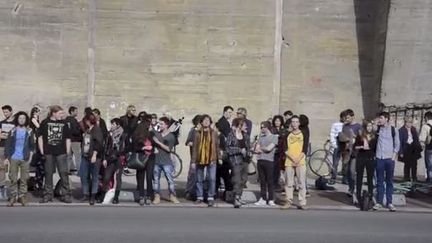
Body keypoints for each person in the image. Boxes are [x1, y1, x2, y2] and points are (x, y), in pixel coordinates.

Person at [38, 105, 72, 203]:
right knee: (48, 174)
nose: (62, 115)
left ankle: (66, 194)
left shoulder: (64, 123)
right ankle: (48, 195)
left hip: (61, 152)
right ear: (54, 113)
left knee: (63, 173)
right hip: (48, 152)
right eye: (60, 113)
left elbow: (68, 138)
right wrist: (42, 150)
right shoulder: (45, 123)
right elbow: (40, 137)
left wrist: (67, 151)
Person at [4, 111, 35, 206]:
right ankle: (13, 196)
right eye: (20, 118)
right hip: (13, 157)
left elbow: (32, 146)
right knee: (13, 178)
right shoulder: (13, 131)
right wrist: (7, 158)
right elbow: (8, 144)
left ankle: (22, 196)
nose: (21, 120)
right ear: (17, 119)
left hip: (24, 157)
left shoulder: (29, 131)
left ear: (26, 120)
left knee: (24, 179)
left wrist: (30, 157)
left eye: (23, 118)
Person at [373, 112, 400, 212]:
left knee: (389, 181)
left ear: (387, 119)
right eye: (379, 118)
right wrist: (375, 124)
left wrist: (393, 157)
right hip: (379, 158)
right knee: (379, 181)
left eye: (381, 118)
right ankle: (379, 202)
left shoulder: (393, 130)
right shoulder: (378, 129)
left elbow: (397, 144)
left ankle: (389, 202)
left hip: (389, 158)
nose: (380, 119)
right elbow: (370, 131)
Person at [281, 116, 309, 210]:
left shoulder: (304, 134)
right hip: (289, 161)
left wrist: (298, 159)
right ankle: (288, 201)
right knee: (289, 182)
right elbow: (284, 149)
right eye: (293, 122)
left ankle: (302, 202)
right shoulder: (287, 135)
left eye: (296, 122)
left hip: (300, 161)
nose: (294, 124)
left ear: (299, 123)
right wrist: (292, 158)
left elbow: (305, 148)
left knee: (301, 182)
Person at [191, 115, 219, 207]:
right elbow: (194, 148)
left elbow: (216, 146)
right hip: (200, 158)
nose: (206, 122)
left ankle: (210, 197)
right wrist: (193, 161)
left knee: (212, 178)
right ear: (201, 122)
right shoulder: (197, 133)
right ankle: (200, 197)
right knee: (199, 179)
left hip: (211, 158)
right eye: (205, 120)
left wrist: (219, 157)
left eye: (208, 120)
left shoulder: (214, 133)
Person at [152, 117, 180, 204]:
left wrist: (158, 143)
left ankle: (172, 196)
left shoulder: (171, 136)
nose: (159, 125)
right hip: (156, 161)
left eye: (161, 124)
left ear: (166, 125)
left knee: (170, 180)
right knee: (156, 180)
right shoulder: (157, 134)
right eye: (159, 124)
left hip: (166, 162)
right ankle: (157, 196)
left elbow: (168, 149)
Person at [80, 113, 104, 205]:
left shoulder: (96, 130)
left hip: (94, 156)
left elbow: (98, 143)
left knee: (94, 176)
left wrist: (94, 154)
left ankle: (93, 195)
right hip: (85, 155)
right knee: (84, 175)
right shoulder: (87, 130)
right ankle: (85, 193)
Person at [226, 118, 251, 208]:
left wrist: (249, 152)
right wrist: (239, 150)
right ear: (239, 126)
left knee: (244, 179)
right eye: (244, 125)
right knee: (237, 179)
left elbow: (248, 147)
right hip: (235, 160)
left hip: (245, 160)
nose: (246, 127)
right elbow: (228, 149)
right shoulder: (231, 135)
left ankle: (239, 196)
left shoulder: (246, 136)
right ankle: (236, 198)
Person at [101, 118, 127, 204]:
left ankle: (116, 197)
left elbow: (124, 148)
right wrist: (104, 158)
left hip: (119, 158)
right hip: (110, 158)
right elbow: (106, 147)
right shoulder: (109, 134)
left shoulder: (123, 134)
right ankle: (103, 194)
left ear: (118, 125)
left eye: (113, 124)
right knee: (106, 177)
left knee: (117, 178)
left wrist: (117, 154)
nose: (111, 126)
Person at [253, 121, 278, 206]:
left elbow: (269, 148)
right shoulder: (261, 137)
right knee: (262, 181)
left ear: (266, 128)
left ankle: (271, 198)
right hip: (260, 160)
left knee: (270, 181)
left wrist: (261, 149)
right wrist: (260, 149)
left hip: (269, 161)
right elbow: (256, 149)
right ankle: (263, 198)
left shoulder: (274, 137)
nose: (261, 129)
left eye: (262, 127)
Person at [340, 109, 362, 198]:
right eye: (345, 118)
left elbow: (362, 138)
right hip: (346, 151)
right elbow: (342, 138)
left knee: (352, 171)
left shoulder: (358, 126)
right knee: (347, 171)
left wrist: (354, 136)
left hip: (355, 152)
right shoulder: (345, 126)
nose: (346, 119)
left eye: (348, 117)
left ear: (353, 117)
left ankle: (353, 189)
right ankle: (351, 188)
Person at [354, 120, 377, 206]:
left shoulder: (374, 137)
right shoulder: (360, 136)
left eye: (370, 126)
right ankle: (358, 195)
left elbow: (376, 148)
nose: (369, 128)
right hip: (361, 157)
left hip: (370, 158)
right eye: (368, 126)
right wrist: (362, 147)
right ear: (364, 127)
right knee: (359, 177)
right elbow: (355, 146)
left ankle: (370, 196)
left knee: (370, 178)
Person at [132, 117, 155, 206]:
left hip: (150, 157)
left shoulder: (151, 134)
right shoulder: (137, 136)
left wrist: (153, 147)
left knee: (149, 177)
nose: (150, 127)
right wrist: (144, 147)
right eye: (149, 125)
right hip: (141, 157)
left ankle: (149, 196)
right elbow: (134, 148)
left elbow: (155, 144)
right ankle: (141, 196)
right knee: (141, 177)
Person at [215, 106, 234, 199]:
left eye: (231, 113)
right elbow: (228, 137)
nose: (230, 114)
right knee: (224, 174)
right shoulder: (223, 123)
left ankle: (218, 193)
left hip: (222, 152)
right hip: (223, 153)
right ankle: (227, 193)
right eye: (229, 112)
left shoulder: (224, 122)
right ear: (224, 112)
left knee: (220, 174)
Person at [398, 116, 422, 182]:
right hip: (406, 148)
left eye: (411, 122)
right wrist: (400, 152)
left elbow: (416, 139)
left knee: (414, 164)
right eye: (408, 122)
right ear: (405, 122)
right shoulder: (401, 130)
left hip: (413, 148)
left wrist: (418, 149)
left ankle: (414, 177)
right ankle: (406, 178)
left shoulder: (413, 129)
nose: (410, 124)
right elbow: (399, 142)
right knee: (407, 164)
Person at [185, 115, 202, 200]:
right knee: (192, 175)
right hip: (194, 157)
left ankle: (199, 193)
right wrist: (194, 143)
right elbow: (188, 142)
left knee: (200, 177)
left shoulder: (204, 131)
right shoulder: (193, 131)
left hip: (203, 158)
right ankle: (189, 192)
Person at [0, 105, 15, 199]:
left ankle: (13, 191)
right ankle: (1, 188)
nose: (5, 114)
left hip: (13, 149)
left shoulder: (16, 123)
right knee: (1, 169)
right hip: (2, 147)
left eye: (7, 112)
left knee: (13, 169)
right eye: (4, 112)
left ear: (11, 111)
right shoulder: (1, 123)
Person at [29, 107, 44, 194]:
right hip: (35, 140)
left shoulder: (36, 119)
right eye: (38, 112)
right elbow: (38, 127)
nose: (38, 113)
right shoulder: (33, 119)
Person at [329, 111, 345, 183]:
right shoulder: (335, 124)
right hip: (338, 144)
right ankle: (333, 177)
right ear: (341, 117)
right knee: (335, 162)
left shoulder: (348, 125)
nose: (345, 119)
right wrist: (334, 144)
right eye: (344, 117)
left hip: (345, 144)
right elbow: (332, 134)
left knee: (345, 162)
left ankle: (345, 178)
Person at [65, 106, 82, 173]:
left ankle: (67, 170)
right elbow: (75, 131)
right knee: (78, 156)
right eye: (76, 111)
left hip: (68, 141)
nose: (77, 112)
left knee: (69, 157)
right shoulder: (74, 120)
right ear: (72, 112)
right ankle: (80, 171)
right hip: (75, 140)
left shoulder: (66, 120)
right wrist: (80, 130)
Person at [272, 115, 286, 191]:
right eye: (276, 121)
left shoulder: (283, 130)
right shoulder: (272, 130)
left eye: (279, 121)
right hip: (273, 152)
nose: (277, 122)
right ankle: (273, 184)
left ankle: (278, 183)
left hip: (281, 152)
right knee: (274, 169)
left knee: (280, 169)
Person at [419, 111, 432, 183]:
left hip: (429, 148)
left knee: (429, 166)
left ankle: (429, 181)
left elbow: (422, 139)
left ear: (426, 118)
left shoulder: (425, 126)